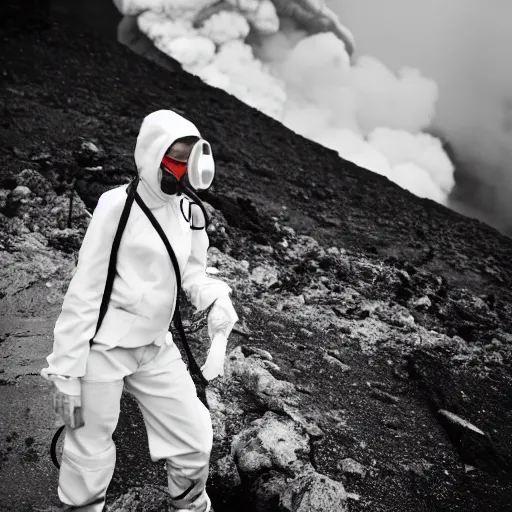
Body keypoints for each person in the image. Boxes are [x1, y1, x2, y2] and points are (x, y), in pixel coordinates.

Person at [40, 109, 239, 512]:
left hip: (155, 346)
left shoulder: (191, 212)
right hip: (104, 348)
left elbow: (192, 274)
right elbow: (85, 289)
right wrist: (65, 370)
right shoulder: (117, 207)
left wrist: (216, 297)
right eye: (175, 157)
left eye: (190, 159)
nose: (183, 170)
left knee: (195, 437)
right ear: (152, 153)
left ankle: (192, 506)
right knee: (88, 448)